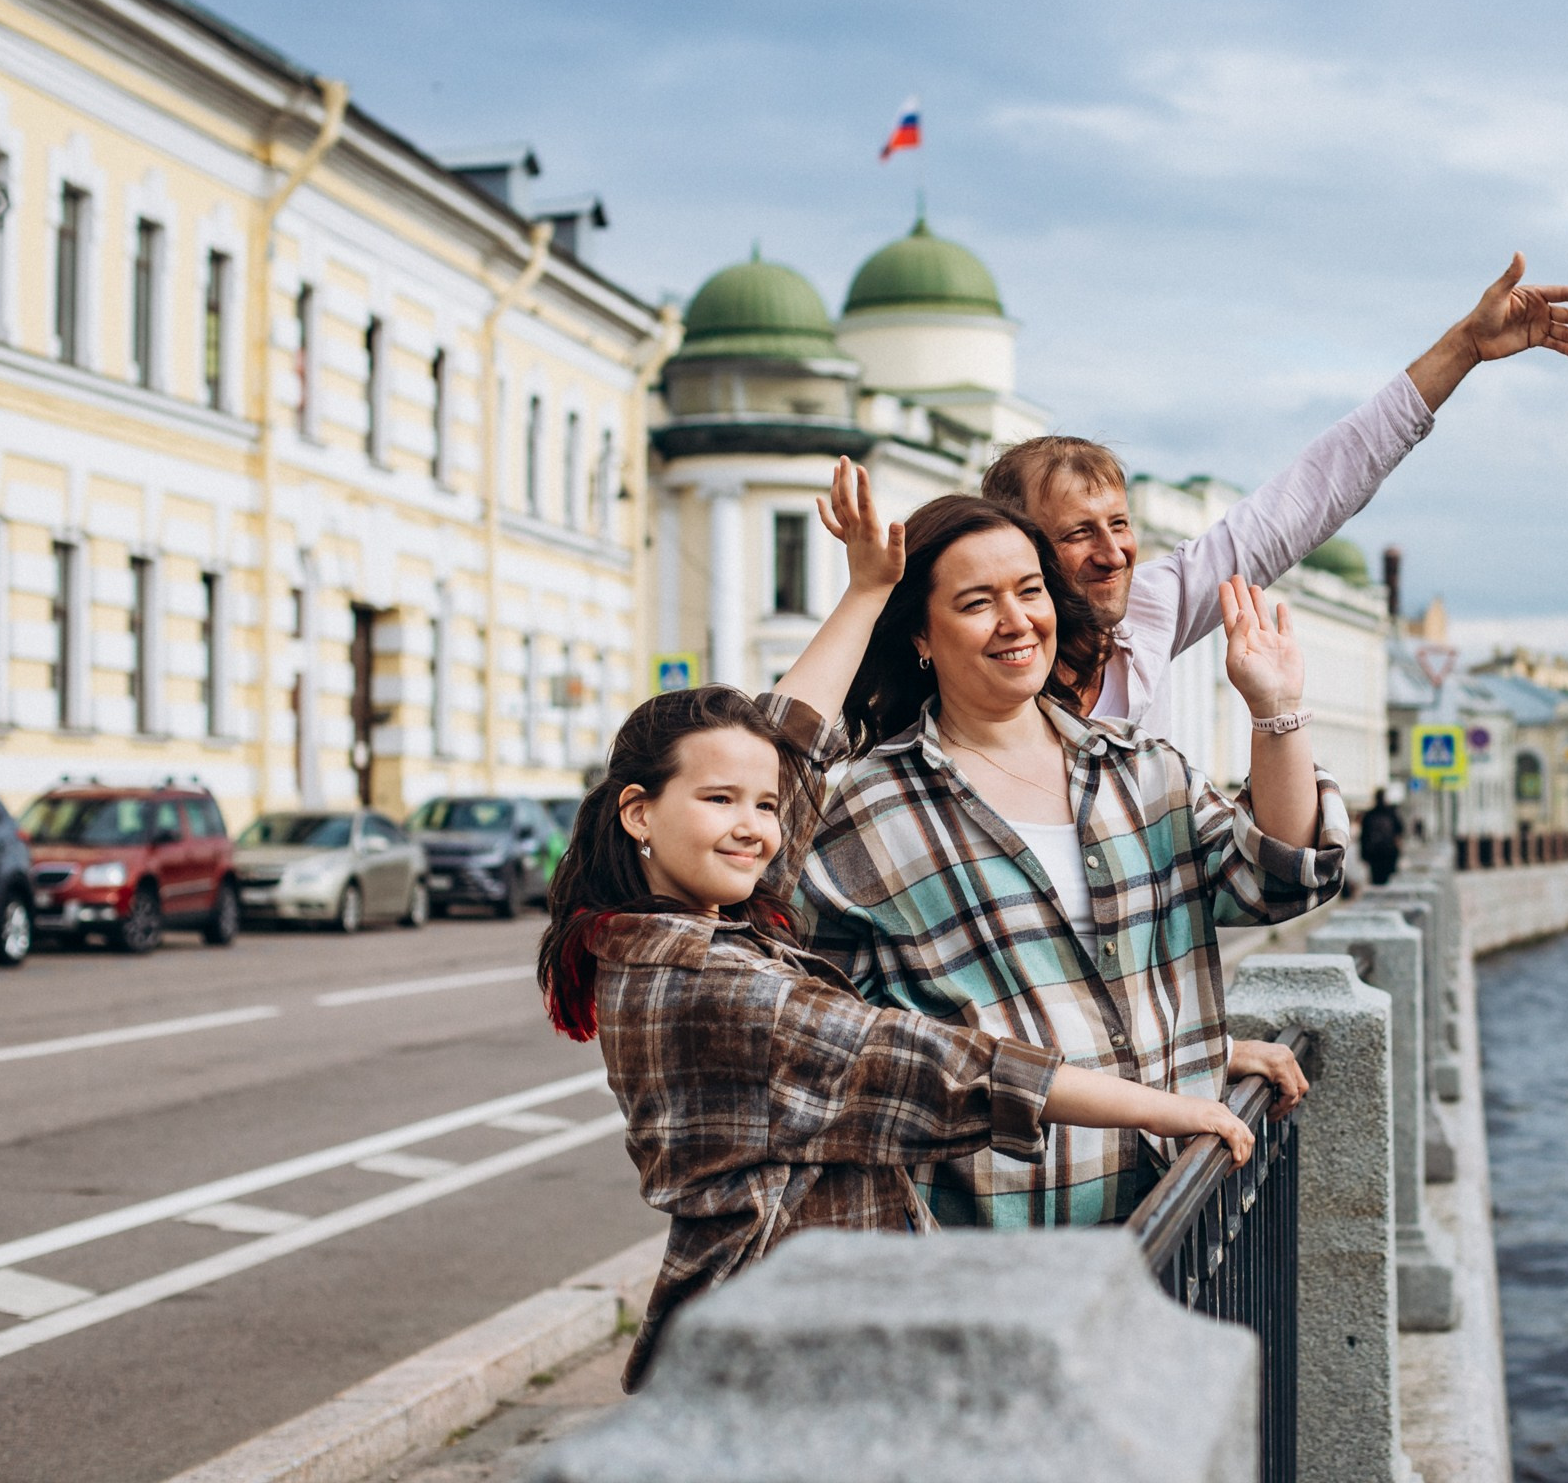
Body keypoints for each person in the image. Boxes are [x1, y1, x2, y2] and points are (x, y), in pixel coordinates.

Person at [535, 460, 1254, 1389]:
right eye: (718, 800)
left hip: (818, 1329)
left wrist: (868, 589)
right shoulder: (703, 979)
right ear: (640, 812)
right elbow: (936, 1064)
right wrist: (1171, 1105)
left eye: (764, 805)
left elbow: (789, 751)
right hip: (779, 1361)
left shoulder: (701, 934)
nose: (755, 825)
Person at [792, 492, 1339, 1228]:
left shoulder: (1141, 771)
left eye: (1030, 591)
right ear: (921, 634)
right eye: (977, 602)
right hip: (1005, 1244)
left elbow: (1275, 881)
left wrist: (1276, 713)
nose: (1016, 620)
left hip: (1182, 1224)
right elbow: (829, 1043)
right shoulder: (868, 812)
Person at [981, 255, 1568, 741]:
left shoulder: (1151, 610)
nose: (1114, 552)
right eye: (1078, 532)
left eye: (1119, 524)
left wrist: (1463, 348)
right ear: (1016, 549)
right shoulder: (969, 667)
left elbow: (1309, 495)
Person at [1359, 788, 1404, 886]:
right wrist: (1398, 852)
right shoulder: (1391, 814)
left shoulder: (1369, 815)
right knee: (1389, 882)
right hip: (1389, 853)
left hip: (1374, 854)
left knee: (1376, 880)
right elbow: (1399, 833)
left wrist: (1363, 855)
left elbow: (1363, 837)